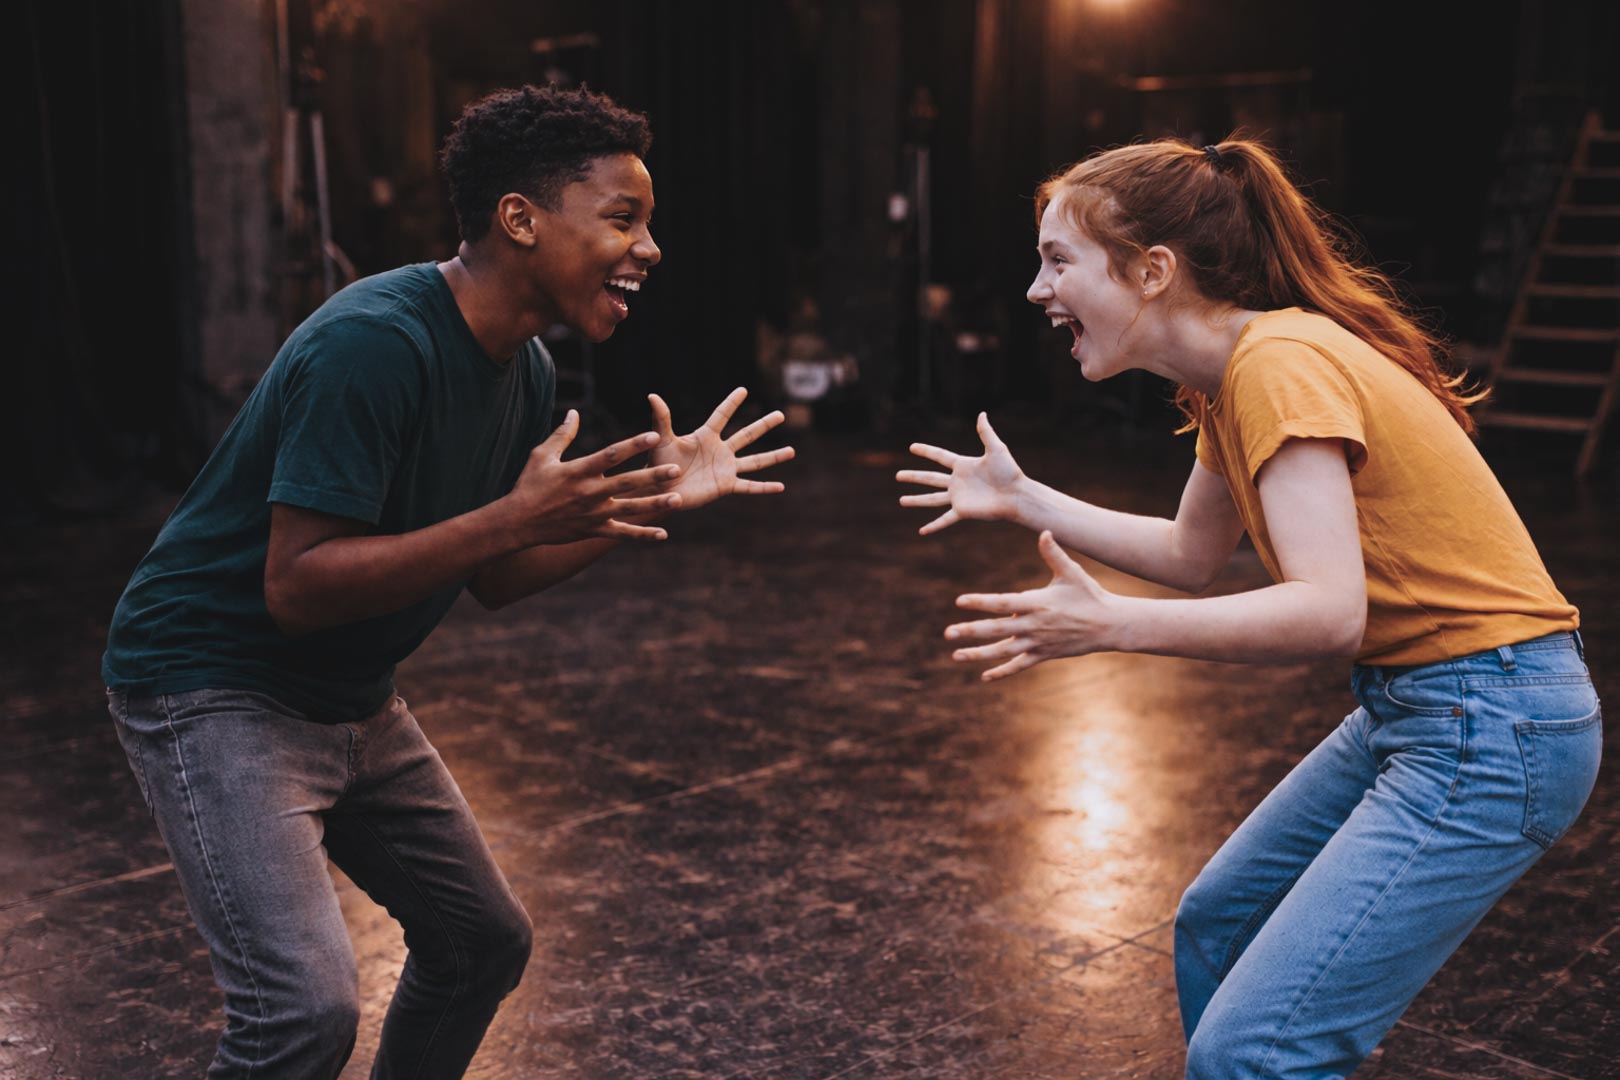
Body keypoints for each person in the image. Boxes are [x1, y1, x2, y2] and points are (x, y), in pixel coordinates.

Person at [102, 84, 793, 1078]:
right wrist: (508, 515)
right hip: (211, 686)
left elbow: (499, 573)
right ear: (520, 218)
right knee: (300, 1013)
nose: (649, 249)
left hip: (346, 695)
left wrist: (653, 501)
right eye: (623, 219)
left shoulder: (525, 371)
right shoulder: (375, 344)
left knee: (481, 945)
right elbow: (296, 585)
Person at [897, 137, 1601, 1078]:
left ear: (1152, 272)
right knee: (1219, 925)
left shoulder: (1279, 364)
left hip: (1494, 721)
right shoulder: (1232, 378)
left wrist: (1113, 625)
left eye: (1057, 260)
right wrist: (1030, 499)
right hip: (1432, 706)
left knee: (1251, 1052)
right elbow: (1192, 556)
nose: (1036, 289)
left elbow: (1326, 612)